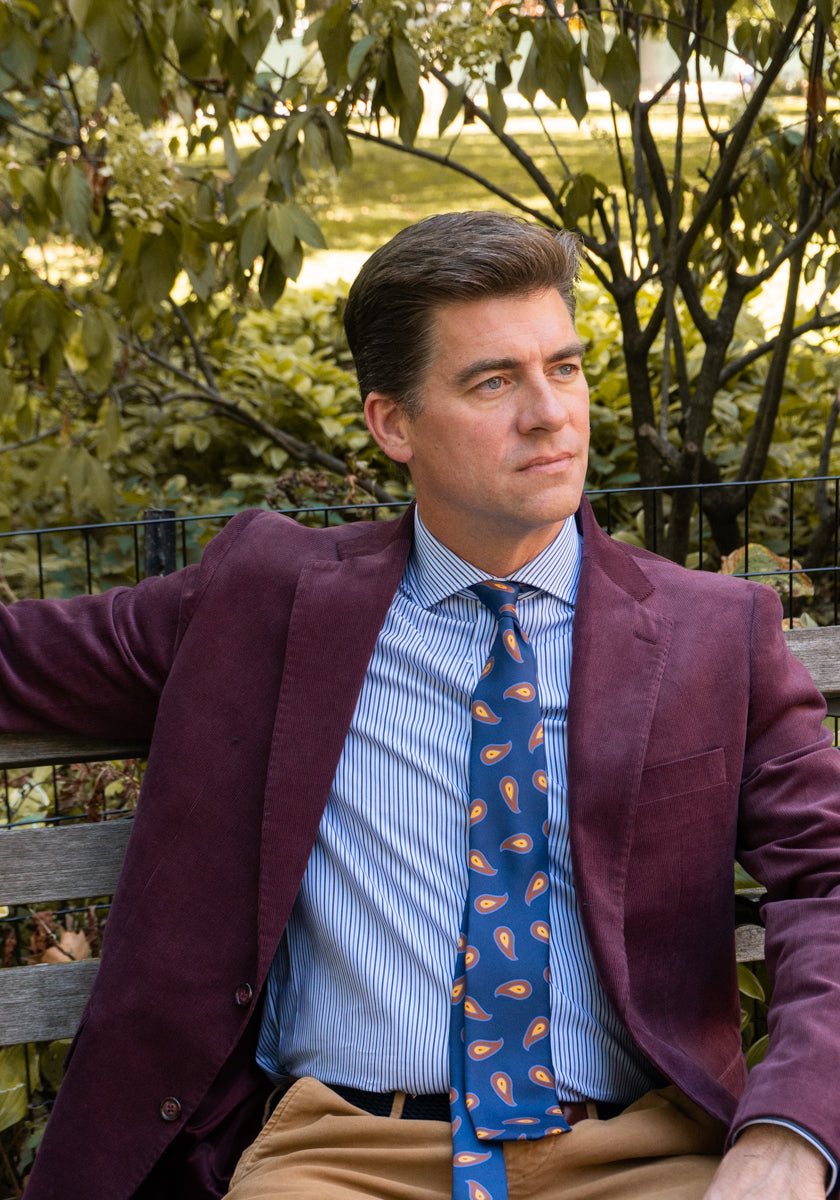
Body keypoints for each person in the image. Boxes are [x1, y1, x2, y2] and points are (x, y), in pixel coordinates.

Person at [13, 211, 840, 1200]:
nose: (550, 414)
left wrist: (790, 1130)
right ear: (393, 424)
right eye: (494, 382)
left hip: (638, 1152)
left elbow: (829, 879)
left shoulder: (713, 634)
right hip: (347, 1157)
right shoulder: (269, 602)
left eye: (564, 368)